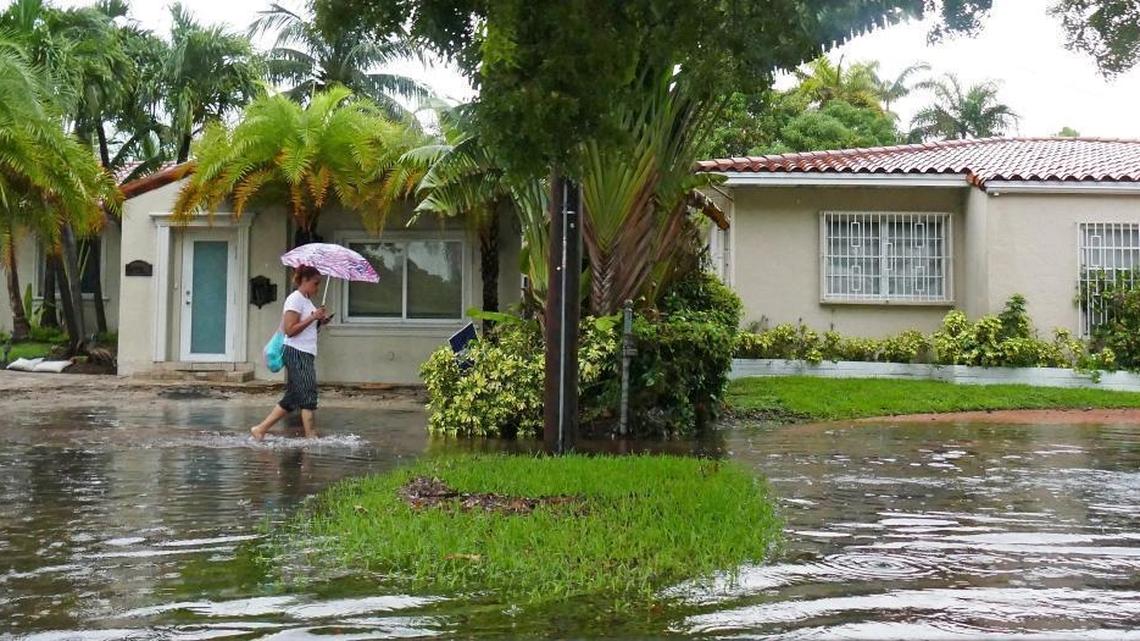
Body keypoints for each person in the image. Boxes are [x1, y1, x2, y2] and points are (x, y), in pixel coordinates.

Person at [250, 265, 332, 440]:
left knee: (293, 398)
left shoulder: (306, 301)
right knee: (309, 393)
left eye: (319, 284)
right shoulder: (295, 300)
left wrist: (319, 322)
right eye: (315, 283)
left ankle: (260, 429)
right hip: (297, 353)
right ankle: (311, 437)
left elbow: (306, 328)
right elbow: (290, 330)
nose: (317, 288)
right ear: (304, 280)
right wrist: (312, 317)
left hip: (305, 353)